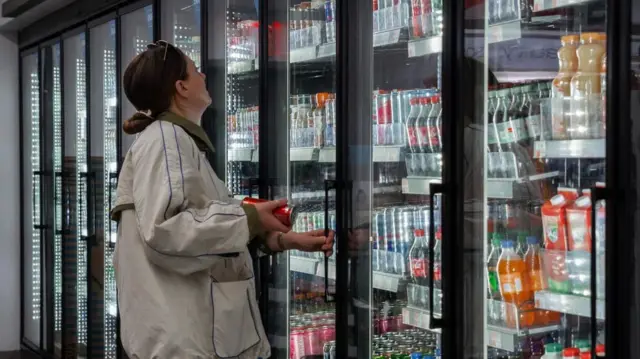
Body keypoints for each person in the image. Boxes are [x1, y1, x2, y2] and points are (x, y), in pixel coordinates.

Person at [110, 40, 334, 359]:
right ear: (181, 87)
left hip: (190, 336)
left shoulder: (175, 142)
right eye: (195, 70)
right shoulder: (165, 140)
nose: (204, 75)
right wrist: (249, 218)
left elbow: (202, 235)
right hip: (185, 341)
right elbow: (166, 230)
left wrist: (280, 239)